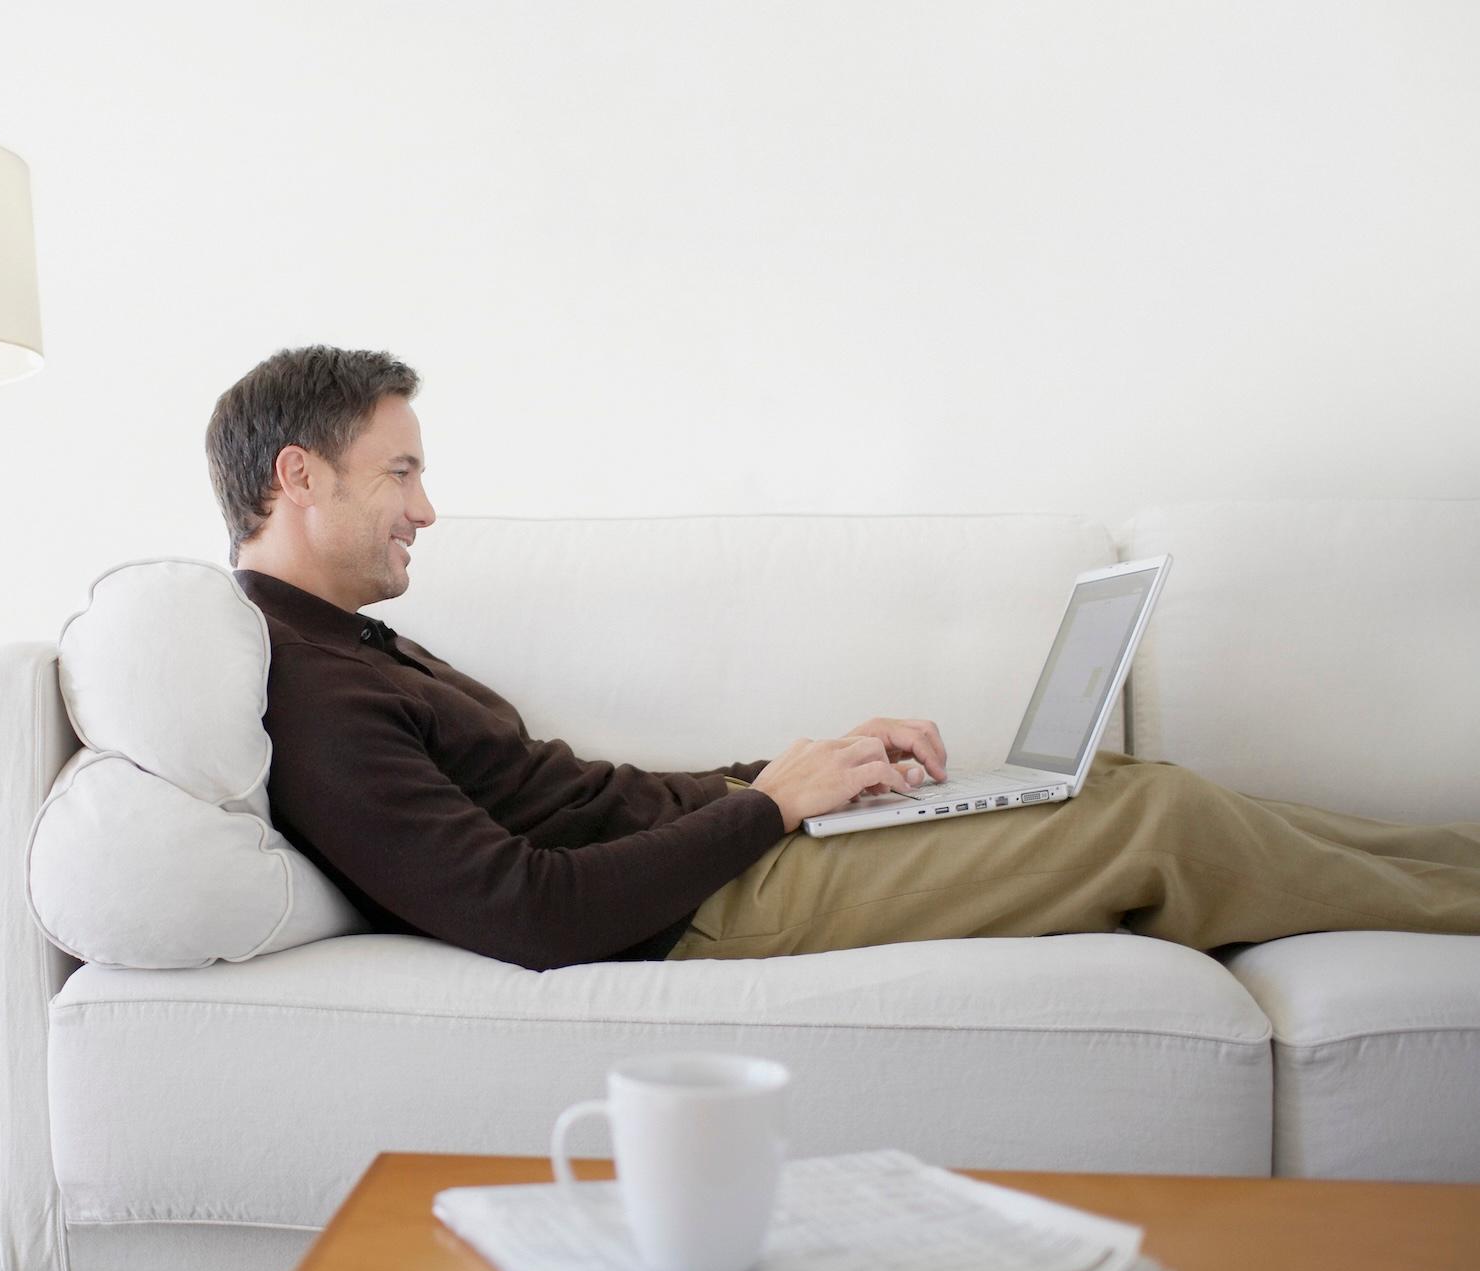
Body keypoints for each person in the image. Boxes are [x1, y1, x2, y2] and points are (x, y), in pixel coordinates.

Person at [205, 344, 1480, 971]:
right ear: (299, 477)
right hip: (696, 915)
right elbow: (524, 909)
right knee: (1156, 826)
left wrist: (802, 769)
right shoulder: (311, 691)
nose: (426, 507)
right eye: (403, 471)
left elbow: (580, 799)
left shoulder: (356, 650)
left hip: (717, 860)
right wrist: (767, 810)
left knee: (1125, 791)